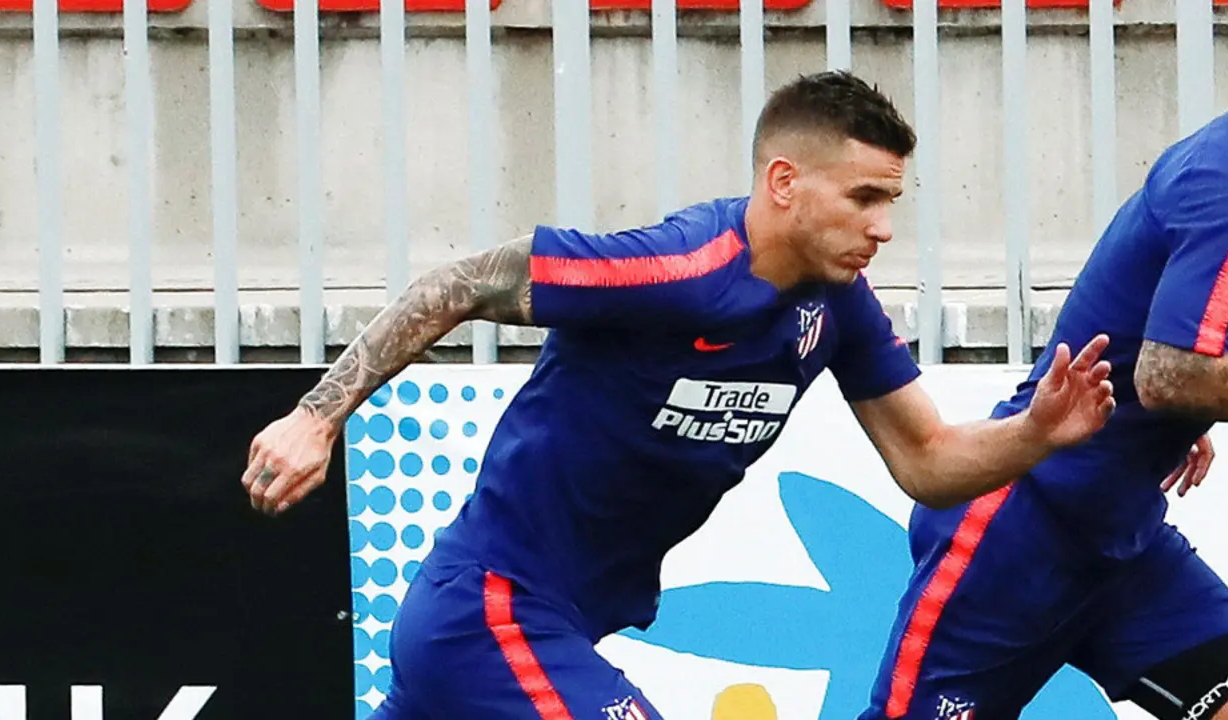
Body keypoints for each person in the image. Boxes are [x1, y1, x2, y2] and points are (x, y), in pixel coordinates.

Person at [240, 70, 1116, 720]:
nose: (884, 226)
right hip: (492, 611)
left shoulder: (838, 307)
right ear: (784, 182)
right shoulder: (677, 268)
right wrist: (316, 418)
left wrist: (1039, 431)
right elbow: (463, 281)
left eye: (891, 201)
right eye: (864, 198)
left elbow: (927, 461)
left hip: (553, 626)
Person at [859, 107, 1228, 720]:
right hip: (1019, 536)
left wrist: (1191, 416)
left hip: (1122, 544)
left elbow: (1171, 351)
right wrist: (1194, 395)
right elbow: (1170, 374)